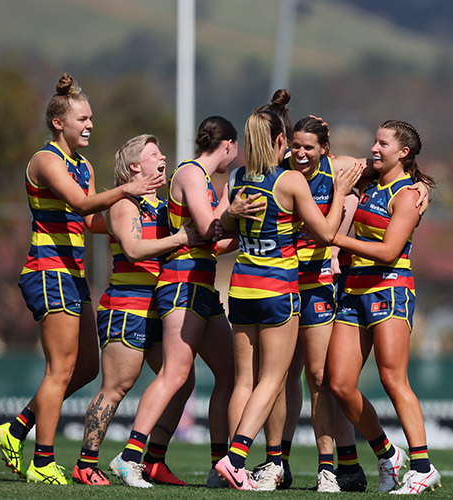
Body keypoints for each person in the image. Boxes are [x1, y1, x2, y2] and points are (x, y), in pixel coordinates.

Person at [0, 74, 163, 484]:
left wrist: (133, 220)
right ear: (58, 123)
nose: (89, 126)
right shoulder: (46, 160)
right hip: (48, 272)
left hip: (73, 276)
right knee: (60, 370)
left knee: (84, 367)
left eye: (91, 119)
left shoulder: (82, 165)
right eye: (82, 119)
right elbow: (82, 201)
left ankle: (15, 429)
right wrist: (129, 189)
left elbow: (88, 220)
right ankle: (43, 461)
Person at [108, 116, 263, 488]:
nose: (236, 154)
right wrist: (231, 207)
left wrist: (254, 237)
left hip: (203, 286)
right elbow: (211, 227)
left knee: (230, 374)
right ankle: (129, 457)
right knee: (175, 374)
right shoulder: (192, 174)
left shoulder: (206, 182)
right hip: (181, 284)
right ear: (227, 145)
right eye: (235, 148)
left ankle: (218, 465)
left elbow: (215, 241)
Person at [214, 110, 362, 490]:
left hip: (242, 285)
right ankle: (241, 460)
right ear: (281, 141)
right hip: (281, 286)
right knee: (273, 380)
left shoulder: (238, 178)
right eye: (293, 144)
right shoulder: (290, 180)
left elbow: (215, 229)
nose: (299, 152)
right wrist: (342, 197)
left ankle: (324, 466)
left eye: (308, 147)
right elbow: (327, 232)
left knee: (274, 379)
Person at [72, 134, 205, 486]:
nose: (163, 157)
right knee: (117, 386)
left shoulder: (163, 207)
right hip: (126, 306)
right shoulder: (125, 204)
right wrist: (180, 239)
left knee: (181, 380)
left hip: (159, 307)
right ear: (135, 167)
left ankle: (154, 460)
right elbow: (132, 249)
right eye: (153, 154)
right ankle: (86, 462)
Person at [328, 120, 442, 494]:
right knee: (340, 384)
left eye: (382, 143)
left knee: (394, 379)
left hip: (388, 289)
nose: (374, 148)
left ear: (403, 153)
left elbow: (390, 251)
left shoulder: (407, 194)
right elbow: (330, 159)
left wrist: (336, 238)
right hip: (354, 291)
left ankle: (423, 467)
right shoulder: (370, 179)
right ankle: (388, 453)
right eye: (373, 141)